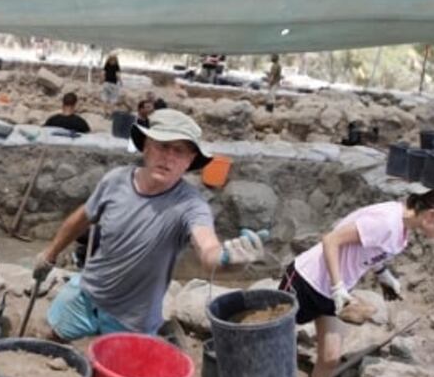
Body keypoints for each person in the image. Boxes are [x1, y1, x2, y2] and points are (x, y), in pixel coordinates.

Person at [33, 109, 265, 340]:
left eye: (179, 151)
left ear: (189, 160)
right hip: (87, 294)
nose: (168, 157)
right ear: (145, 146)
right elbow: (83, 216)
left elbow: (207, 248)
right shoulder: (115, 181)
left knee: (117, 363)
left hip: (132, 319)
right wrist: (49, 255)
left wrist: (228, 259)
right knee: (51, 340)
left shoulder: (191, 205)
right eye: (162, 146)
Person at [282, 186, 434, 377]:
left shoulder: (403, 230)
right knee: (270, 340)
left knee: (330, 357)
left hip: (335, 294)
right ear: (433, 215)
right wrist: (338, 287)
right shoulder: (387, 222)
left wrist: (383, 275)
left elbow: (372, 249)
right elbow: (330, 240)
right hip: (307, 281)